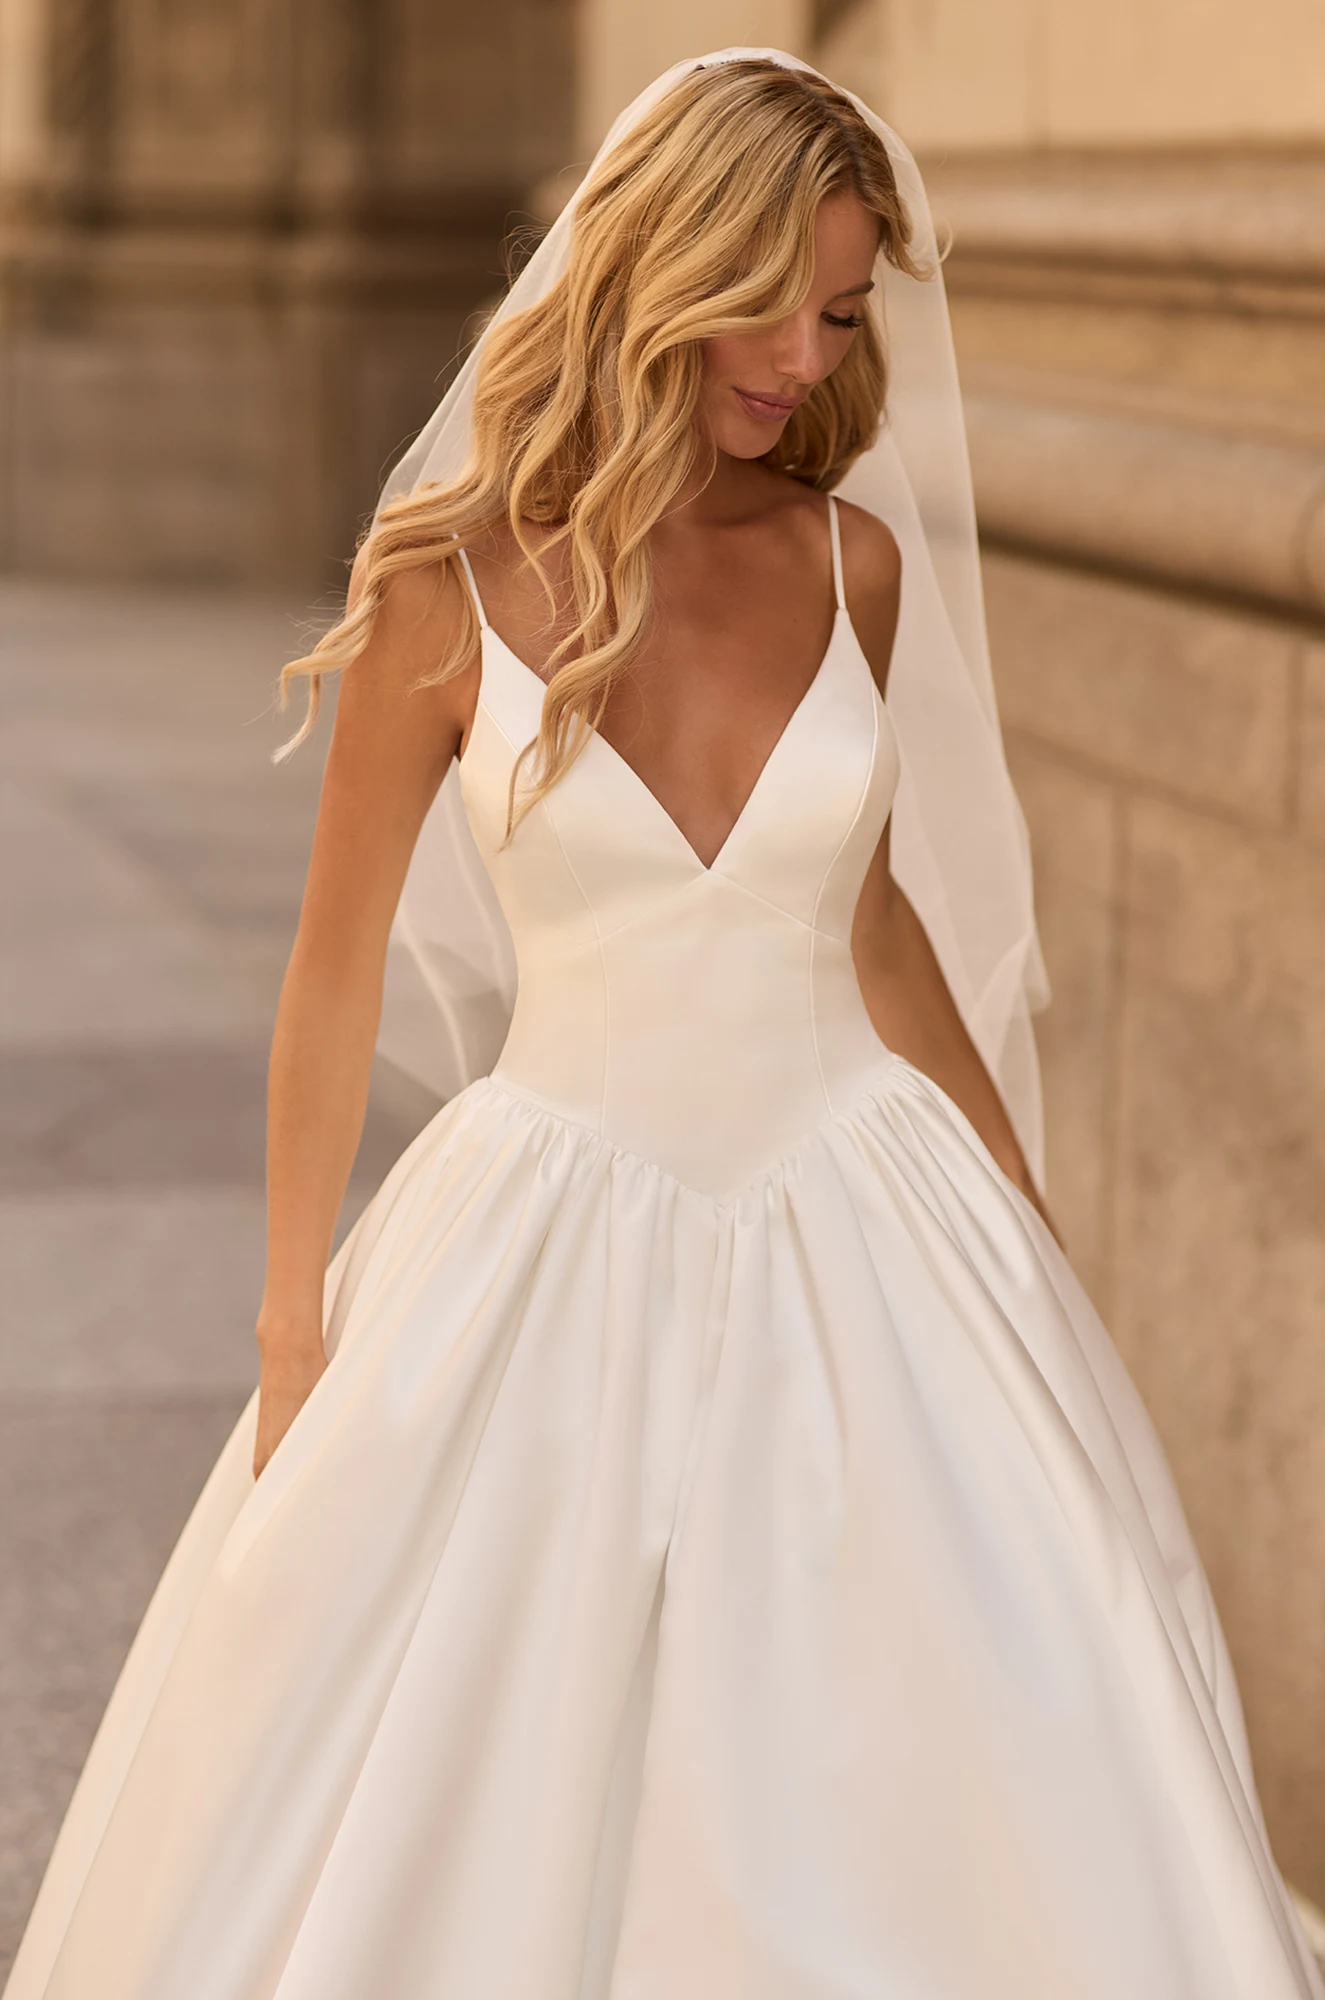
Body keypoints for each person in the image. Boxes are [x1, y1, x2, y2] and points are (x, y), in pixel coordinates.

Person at [6, 48, 1320, 2000]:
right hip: (550, 1207)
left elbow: (871, 927)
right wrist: (292, 1317)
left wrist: (1022, 1235)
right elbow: (332, 967)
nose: (805, 352)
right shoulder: (440, 591)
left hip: (862, 1204)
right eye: (770, 300)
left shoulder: (847, 563)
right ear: (659, 273)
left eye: (844, 307)